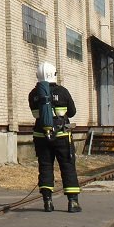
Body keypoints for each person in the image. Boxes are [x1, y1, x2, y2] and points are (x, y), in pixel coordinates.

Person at [28, 61, 81, 213]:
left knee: (45, 166)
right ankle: (73, 202)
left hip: (41, 135)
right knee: (67, 165)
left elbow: (35, 114)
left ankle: (47, 202)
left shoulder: (33, 94)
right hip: (62, 135)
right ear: (54, 74)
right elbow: (72, 112)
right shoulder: (63, 91)